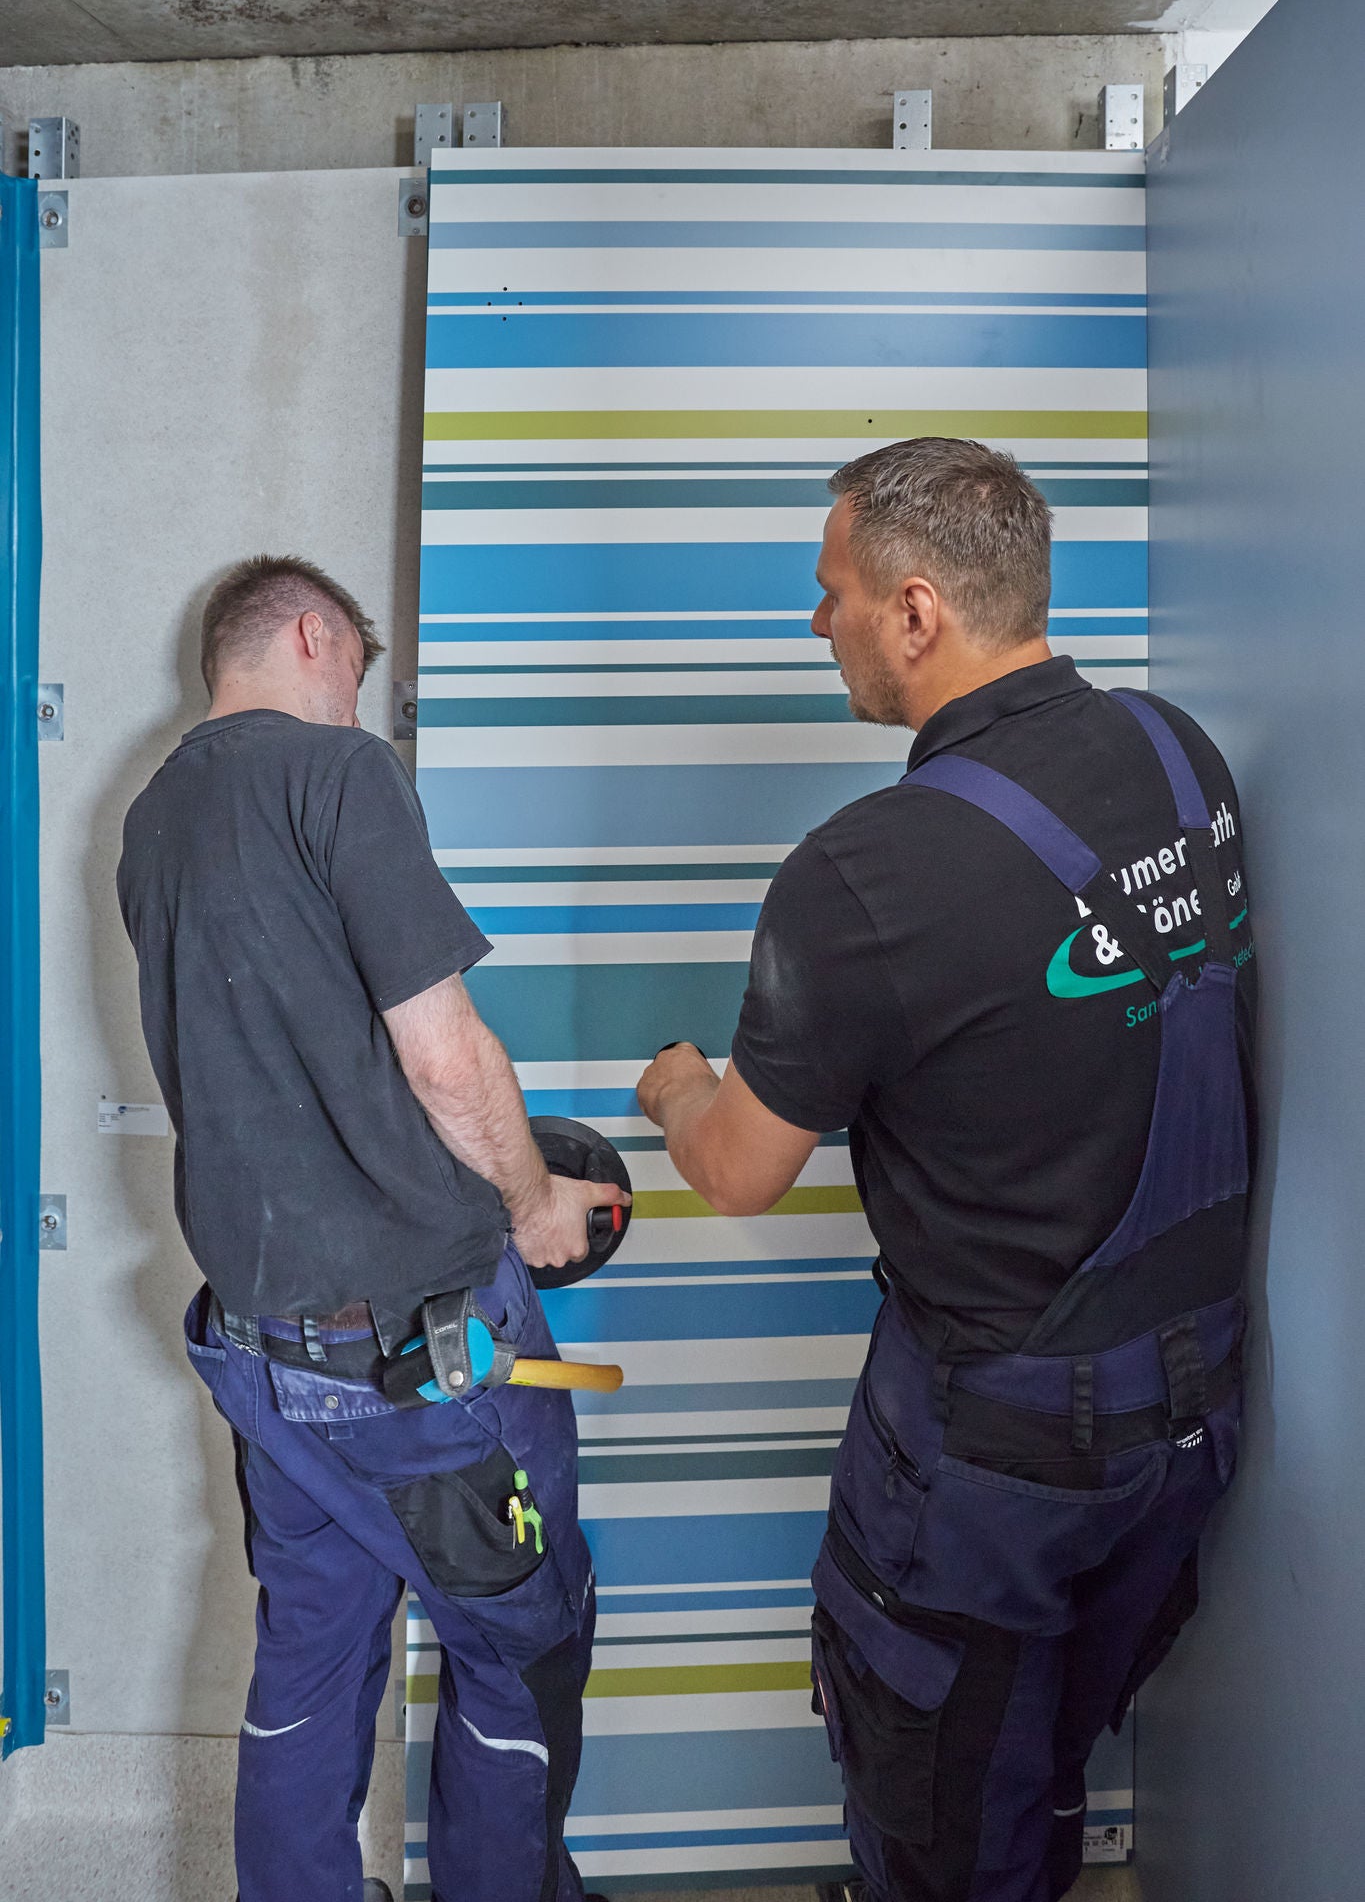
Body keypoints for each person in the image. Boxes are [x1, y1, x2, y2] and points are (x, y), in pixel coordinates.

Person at [637, 439, 1254, 1902]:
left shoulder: (862, 876)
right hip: (1197, 1411)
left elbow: (736, 1173)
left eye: (829, 591)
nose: (817, 624)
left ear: (915, 613)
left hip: (996, 1455)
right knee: (1037, 1749)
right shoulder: (1181, 756)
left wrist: (676, 1090)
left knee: (937, 1798)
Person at [117, 555, 625, 1902]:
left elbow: (279, 1067)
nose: (361, 706)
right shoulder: (338, 777)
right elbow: (445, 1057)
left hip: (267, 1350)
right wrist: (533, 1205)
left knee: (311, 1662)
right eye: (357, 673)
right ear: (310, 633)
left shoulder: (154, 816)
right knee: (518, 1647)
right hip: (421, 1355)